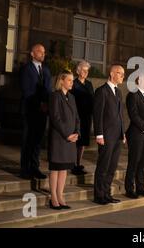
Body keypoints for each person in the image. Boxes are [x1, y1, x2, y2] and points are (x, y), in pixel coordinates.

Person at [92, 64, 126, 205]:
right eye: (120, 73)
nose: (122, 76)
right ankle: (99, 195)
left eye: (123, 74)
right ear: (112, 74)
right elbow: (97, 115)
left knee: (112, 167)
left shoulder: (118, 92)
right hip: (106, 136)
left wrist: (123, 133)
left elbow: (120, 115)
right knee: (103, 166)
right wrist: (99, 134)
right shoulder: (101, 91)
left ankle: (107, 194)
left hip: (117, 136)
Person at [48, 70, 80, 210]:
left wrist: (77, 133)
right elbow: (55, 118)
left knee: (64, 169)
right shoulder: (55, 96)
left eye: (73, 81)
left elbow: (77, 118)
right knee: (56, 168)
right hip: (59, 138)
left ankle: (60, 195)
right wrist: (67, 134)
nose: (72, 83)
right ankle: (53, 197)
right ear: (61, 81)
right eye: (69, 80)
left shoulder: (72, 97)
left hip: (71, 138)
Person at [19, 43, 52, 180]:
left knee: (38, 140)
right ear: (32, 54)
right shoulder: (26, 69)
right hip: (30, 110)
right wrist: (39, 104)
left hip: (43, 112)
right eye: (39, 51)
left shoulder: (46, 71)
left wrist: (47, 104)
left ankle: (35, 167)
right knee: (28, 140)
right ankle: (25, 169)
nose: (42, 54)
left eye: (44, 51)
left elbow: (48, 90)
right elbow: (27, 90)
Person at [71, 61, 94, 175]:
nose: (86, 72)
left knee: (83, 141)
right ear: (78, 71)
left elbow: (92, 99)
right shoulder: (74, 84)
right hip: (76, 116)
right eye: (84, 70)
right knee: (76, 140)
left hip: (86, 116)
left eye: (87, 70)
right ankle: (73, 164)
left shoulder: (89, 84)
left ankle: (78, 164)